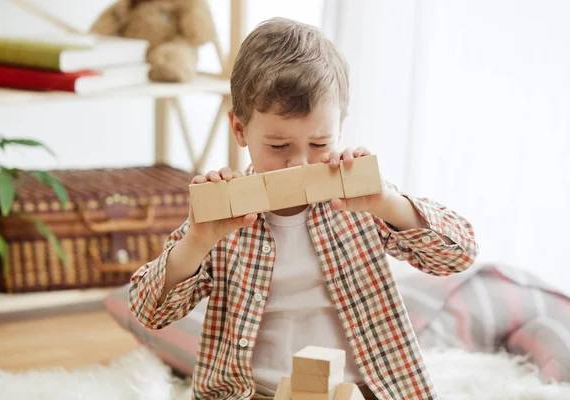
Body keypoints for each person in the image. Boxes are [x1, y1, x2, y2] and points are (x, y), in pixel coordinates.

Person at [128, 17, 478, 400]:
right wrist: (196, 241)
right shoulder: (223, 214)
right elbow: (149, 312)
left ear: (340, 129)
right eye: (278, 146)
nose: (300, 164)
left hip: (358, 391)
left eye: (319, 143)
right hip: (255, 391)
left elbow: (459, 256)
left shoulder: (360, 197)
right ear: (240, 129)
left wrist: (388, 204)